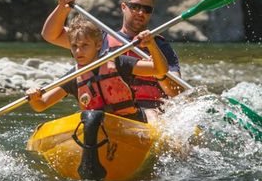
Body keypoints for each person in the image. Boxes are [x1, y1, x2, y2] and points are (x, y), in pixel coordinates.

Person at [40, 0, 182, 109]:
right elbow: (51, 35)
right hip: (109, 108)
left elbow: (177, 92)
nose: (141, 13)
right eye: (135, 7)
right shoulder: (99, 39)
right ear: (123, 7)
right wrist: (62, 8)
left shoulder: (160, 46)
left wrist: (159, 73)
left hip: (151, 108)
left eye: (147, 9)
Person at [27, 16, 169, 123]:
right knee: (91, 119)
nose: (78, 51)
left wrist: (151, 45)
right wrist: (34, 98)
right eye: (74, 46)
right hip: (97, 124)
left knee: (154, 118)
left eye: (84, 45)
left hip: (131, 122)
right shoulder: (74, 76)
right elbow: (42, 105)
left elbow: (160, 69)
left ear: (98, 44)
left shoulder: (118, 62)